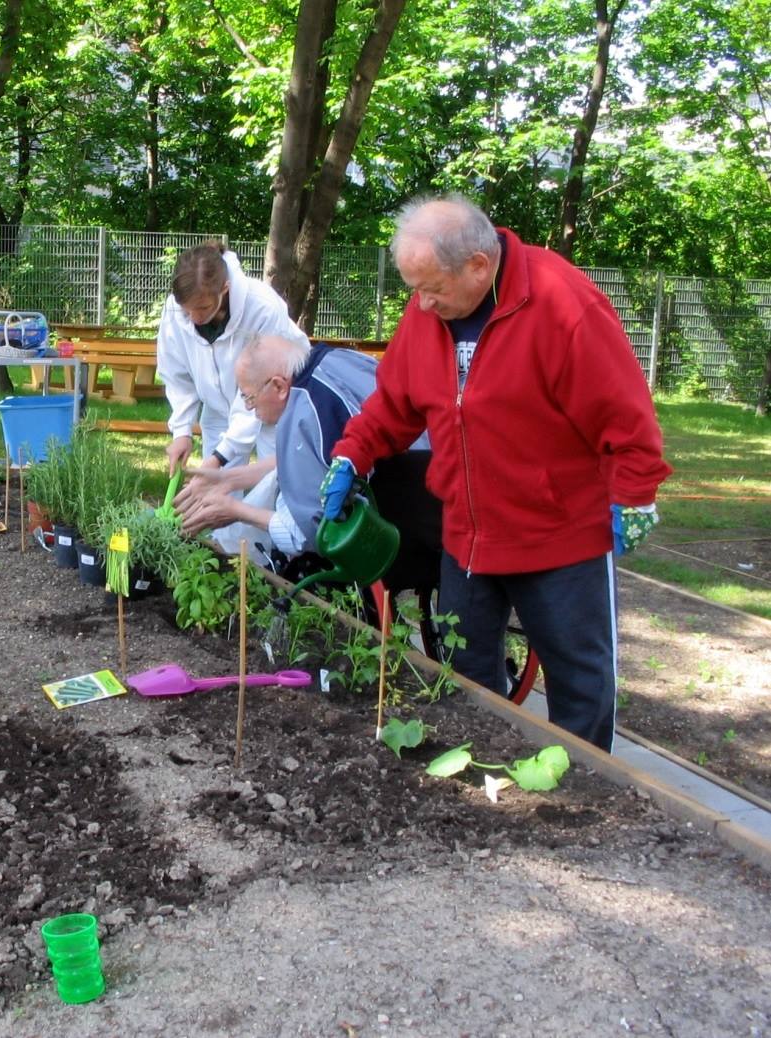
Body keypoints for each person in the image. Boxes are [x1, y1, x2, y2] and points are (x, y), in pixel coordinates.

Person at [320, 194, 671, 750]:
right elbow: (393, 403)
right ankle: (481, 779)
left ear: (478, 266)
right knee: (464, 674)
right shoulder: (429, 309)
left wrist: (635, 494)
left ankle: (584, 787)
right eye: (415, 289)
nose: (421, 303)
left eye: (431, 289)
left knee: (579, 684)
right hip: (467, 534)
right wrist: (351, 455)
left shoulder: (562, 303)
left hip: (559, 535)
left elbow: (624, 414)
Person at [175, 333, 382, 563]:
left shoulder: (303, 417)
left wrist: (234, 511)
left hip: (385, 531)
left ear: (279, 386)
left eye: (249, 398)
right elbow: (298, 460)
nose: (249, 408)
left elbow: (307, 534)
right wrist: (229, 479)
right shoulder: (335, 359)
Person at [157, 242, 310, 478]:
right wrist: (181, 432)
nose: (194, 318)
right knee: (215, 486)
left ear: (225, 289)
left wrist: (219, 457)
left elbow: (263, 387)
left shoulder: (262, 307)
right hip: (217, 408)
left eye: (203, 308)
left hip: (275, 405)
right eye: (187, 310)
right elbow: (176, 374)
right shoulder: (175, 309)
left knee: (274, 481)